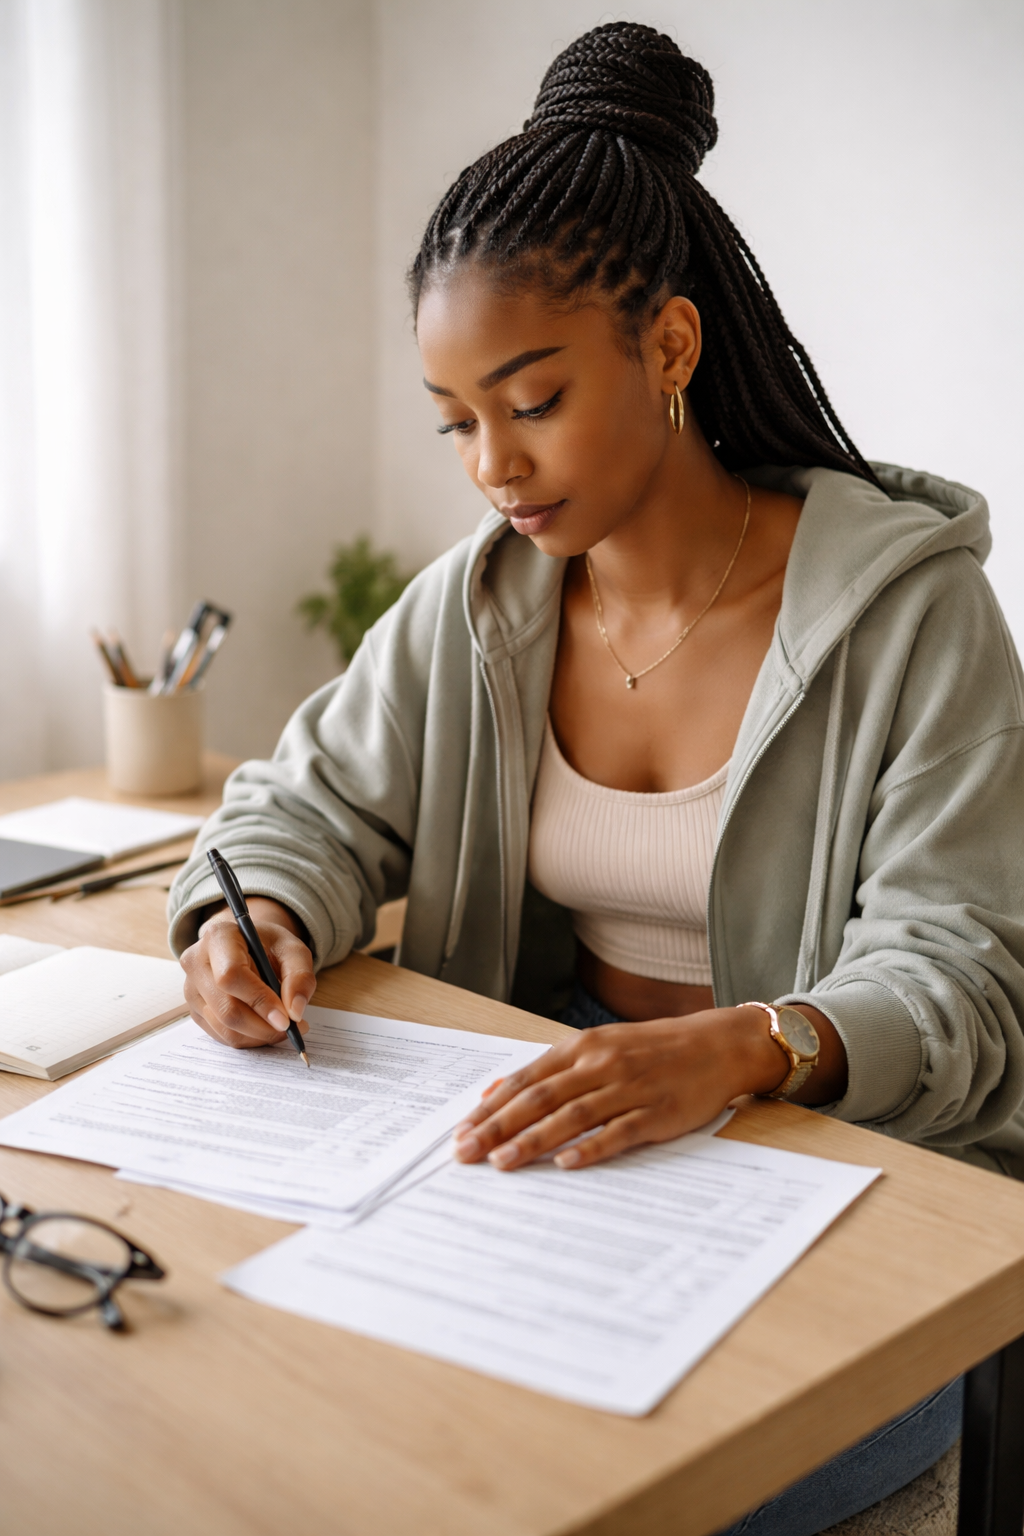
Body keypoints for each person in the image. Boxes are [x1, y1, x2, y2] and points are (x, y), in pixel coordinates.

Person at [168, 23, 1024, 1534]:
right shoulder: (481, 603)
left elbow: (968, 970)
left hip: (837, 1172)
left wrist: (751, 1046)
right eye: (456, 423)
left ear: (671, 348)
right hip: (544, 1135)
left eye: (533, 400)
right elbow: (299, 806)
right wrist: (251, 917)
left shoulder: (911, 612)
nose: (493, 464)